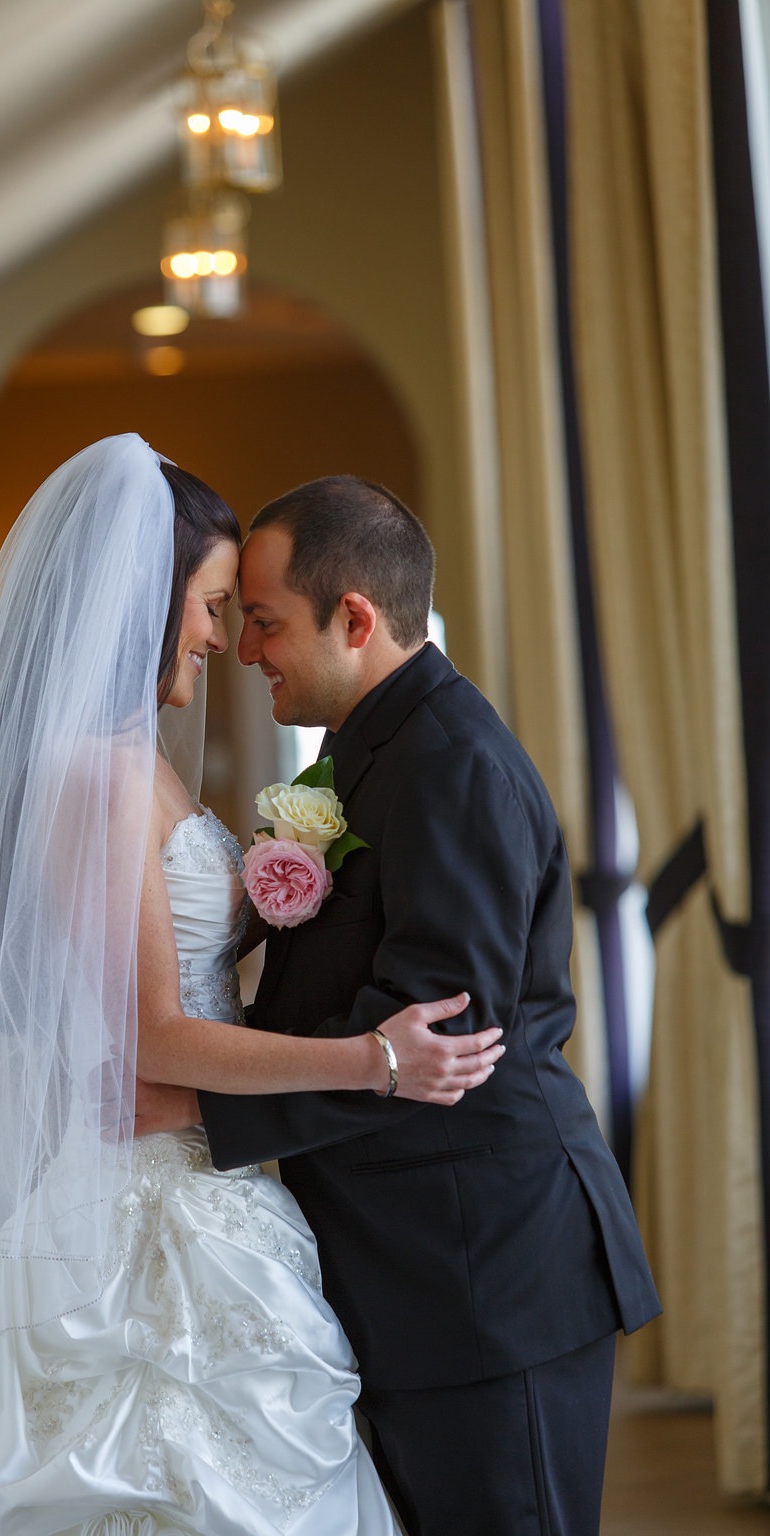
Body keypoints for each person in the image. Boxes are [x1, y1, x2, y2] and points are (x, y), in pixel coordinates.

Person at [0, 435, 504, 1536]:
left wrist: (281, 878)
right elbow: (154, 1035)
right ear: (141, 606)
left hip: (211, 1168)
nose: (221, 638)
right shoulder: (99, 778)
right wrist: (374, 1058)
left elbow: (181, 946)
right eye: (211, 606)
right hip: (152, 1188)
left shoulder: (138, 763)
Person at [144, 474, 661, 1536]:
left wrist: (200, 1114)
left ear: (357, 618)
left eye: (265, 622)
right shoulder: (363, 748)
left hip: (484, 1274)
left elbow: (433, 1035)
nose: (246, 652)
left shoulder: (451, 764)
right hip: (418, 1264)